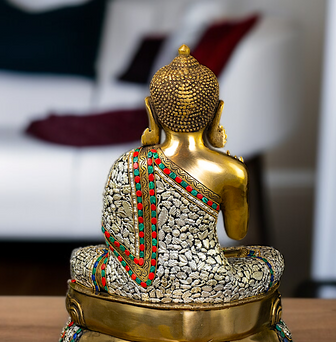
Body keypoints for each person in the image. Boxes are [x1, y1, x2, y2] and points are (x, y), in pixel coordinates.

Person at [70, 45, 284, 304]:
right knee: (270, 259)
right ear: (217, 111)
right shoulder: (231, 171)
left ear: (151, 110)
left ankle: (144, 303)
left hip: (136, 283)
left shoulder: (126, 163)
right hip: (209, 282)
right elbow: (237, 234)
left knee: (82, 257)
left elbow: (115, 240)